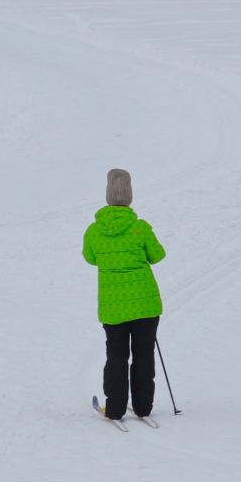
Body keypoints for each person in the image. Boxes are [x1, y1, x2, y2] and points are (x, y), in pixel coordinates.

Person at [83, 168, 167, 420]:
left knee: (116, 356)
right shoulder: (140, 228)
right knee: (143, 355)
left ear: (108, 196)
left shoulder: (95, 231)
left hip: (113, 306)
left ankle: (116, 408)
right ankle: (143, 407)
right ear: (129, 196)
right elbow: (158, 255)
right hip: (145, 304)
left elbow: (89, 258)